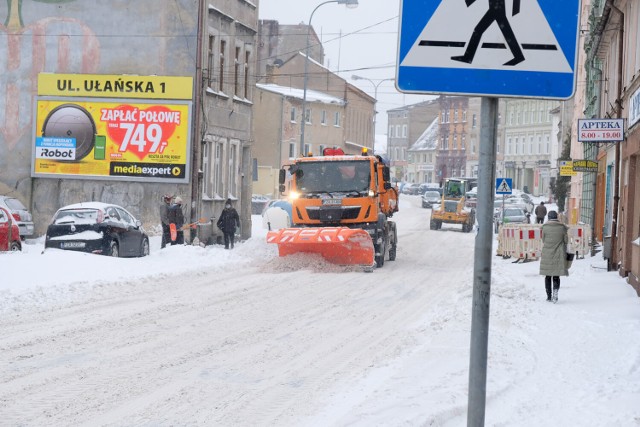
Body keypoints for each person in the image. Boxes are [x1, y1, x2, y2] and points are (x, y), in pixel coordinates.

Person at [539, 210, 569, 303]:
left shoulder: (544, 227)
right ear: (557, 217)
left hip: (547, 253)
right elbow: (566, 240)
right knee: (556, 275)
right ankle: (555, 292)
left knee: (547, 276)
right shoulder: (562, 227)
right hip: (558, 253)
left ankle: (549, 296)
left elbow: (543, 239)